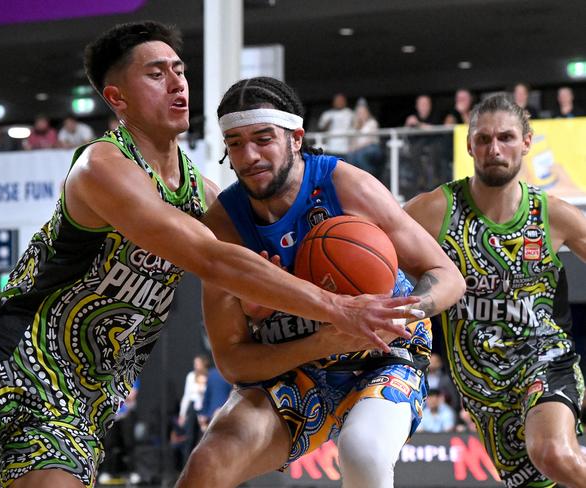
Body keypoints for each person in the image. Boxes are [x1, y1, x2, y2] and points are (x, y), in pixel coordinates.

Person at [0, 21, 418, 488]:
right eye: (155, 73)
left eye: (179, 70)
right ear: (116, 98)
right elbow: (213, 260)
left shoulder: (206, 196)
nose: (176, 83)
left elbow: (247, 281)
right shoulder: (102, 166)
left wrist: (262, 304)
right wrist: (336, 305)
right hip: (8, 353)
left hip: (82, 397)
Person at [176, 76, 465, 488]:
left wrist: (401, 312)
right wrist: (321, 336)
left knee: (363, 451)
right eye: (236, 143)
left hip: (381, 356)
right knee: (207, 464)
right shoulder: (225, 224)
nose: (250, 155)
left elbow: (447, 276)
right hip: (296, 368)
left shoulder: (346, 185)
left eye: (263, 138)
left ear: (296, 137)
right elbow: (232, 361)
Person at [405, 93, 586, 487]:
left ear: (526, 142)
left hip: (545, 358)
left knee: (553, 453)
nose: (494, 148)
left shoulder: (552, 214)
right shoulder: (435, 210)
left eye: (505, 137)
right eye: (484, 139)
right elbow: (369, 251)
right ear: (469, 145)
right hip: (482, 389)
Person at [346, 98, 382, 177]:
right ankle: (354, 178)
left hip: (372, 147)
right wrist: (352, 148)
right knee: (350, 156)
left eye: (362, 112)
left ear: (366, 112)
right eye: (359, 113)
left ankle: (369, 176)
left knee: (360, 156)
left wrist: (357, 148)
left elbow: (370, 140)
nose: (360, 114)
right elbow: (353, 141)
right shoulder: (355, 126)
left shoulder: (372, 122)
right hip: (359, 149)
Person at [317, 92, 354, 158]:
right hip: (330, 147)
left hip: (346, 148)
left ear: (345, 102)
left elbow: (356, 128)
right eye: (337, 101)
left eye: (341, 101)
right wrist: (328, 124)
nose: (339, 102)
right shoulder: (327, 114)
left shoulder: (350, 113)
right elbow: (321, 129)